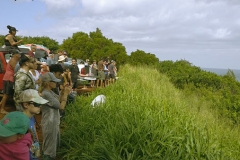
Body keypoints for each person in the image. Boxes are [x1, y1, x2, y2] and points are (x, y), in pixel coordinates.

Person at [39, 72, 71, 159]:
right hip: (50, 122)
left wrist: (64, 91)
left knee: (52, 144)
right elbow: (61, 106)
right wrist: (66, 95)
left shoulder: (49, 92)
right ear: (48, 83)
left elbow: (58, 99)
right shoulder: (46, 94)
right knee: (49, 149)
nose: (56, 83)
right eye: (54, 81)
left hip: (53, 121)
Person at [19, 89, 48, 160]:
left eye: (40, 104)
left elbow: (34, 134)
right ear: (26, 105)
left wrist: (36, 147)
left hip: (33, 151)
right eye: (37, 104)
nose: (40, 106)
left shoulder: (31, 117)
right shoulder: (21, 122)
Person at [0, 49, 21, 114]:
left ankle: (1, 105)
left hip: (8, 78)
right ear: (15, 55)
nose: (20, 55)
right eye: (18, 54)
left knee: (7, 95)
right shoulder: (13, 60)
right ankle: (2, 109)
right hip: (9, 78)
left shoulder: (14, 60)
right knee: (6, 94)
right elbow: (16, 70)